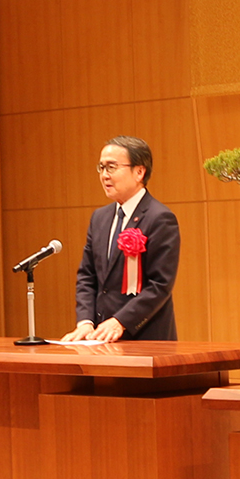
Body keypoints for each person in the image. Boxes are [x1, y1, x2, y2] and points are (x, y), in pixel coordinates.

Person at [61, 136, 180, 343]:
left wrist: (120, 321)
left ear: (139, 172)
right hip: (101, 339)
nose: (104, 175)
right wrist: (85, 321)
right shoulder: (100, 218)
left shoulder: (159, 218)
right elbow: (87, 276)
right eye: (101, 167)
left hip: (146, 338)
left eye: (112, 167)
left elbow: (160, 284)